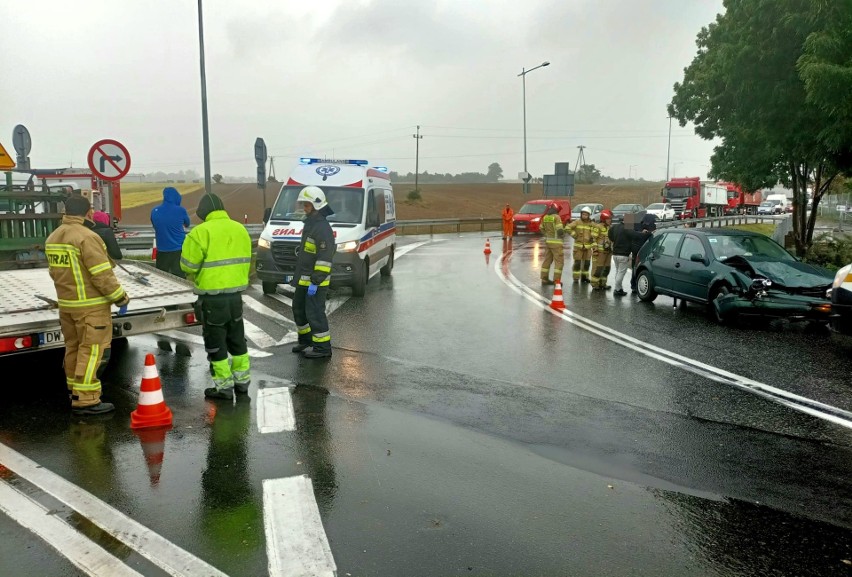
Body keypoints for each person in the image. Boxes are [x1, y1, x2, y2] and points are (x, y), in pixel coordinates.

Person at [45, 195, 130, 415]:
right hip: (91, 307)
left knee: (73, 348)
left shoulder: (53, 237)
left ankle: (74, 391)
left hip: (67, 305)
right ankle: (86, 399)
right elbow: (102, 275)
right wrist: (120, 297)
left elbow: (53, 272)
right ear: (88, 212)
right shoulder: (86, 237)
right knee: (93, 352)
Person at [180, 193, 253, 400]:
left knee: (216, 342)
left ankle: (223, 387)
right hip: (236, 297)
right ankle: (242, 383)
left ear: (203, 212)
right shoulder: (240, 229)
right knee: (237, 340)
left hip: (212, 299)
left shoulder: (200, 232)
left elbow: (187, 265)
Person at [291, 186, 336, 359]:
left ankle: (323, 348)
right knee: (299, 310)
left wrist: (316, 281)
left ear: (317, 205)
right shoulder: (310, 224)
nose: (304, 208)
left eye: (307, 205)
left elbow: (325, 257)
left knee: (315, 313)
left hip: (316, 281)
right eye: (304, 204)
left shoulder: (322, 228)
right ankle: (306, 339)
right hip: (304, 280)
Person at [151, 186, 190, 277]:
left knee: (161, 277)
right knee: (179, 278)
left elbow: (155, 226)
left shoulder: (154, 211)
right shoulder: (181, 210)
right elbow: (187, 224)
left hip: (161, 250)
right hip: (178, 250)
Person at [567, 207, 597, 283]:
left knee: (587, 263)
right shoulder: (577, 222)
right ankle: (576, 278)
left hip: (588, 247)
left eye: (586, 215)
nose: (584, 216)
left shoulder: (592, 224)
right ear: (581, 214)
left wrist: (593, 238)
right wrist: (574, 235)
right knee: (577, 263)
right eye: (583, 214)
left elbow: (596, 232)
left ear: (589, 215)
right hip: (578, 247)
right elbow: (567, 228)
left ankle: (585, 277)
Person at [629, 213, 657, 293]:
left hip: (640, 250)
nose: (654, 223)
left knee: (637, 268)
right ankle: (634, 285)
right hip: (638, 251)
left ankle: (634, 285)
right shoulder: (638, 226)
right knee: (636, 268)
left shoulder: (638, 224)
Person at [539, 204, 565, 285]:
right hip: (557, 243)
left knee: (547, 260)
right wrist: (563, 234)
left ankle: (544, 279)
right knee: (559, 262)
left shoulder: (545, 217)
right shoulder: (556, 217)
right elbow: (560, 230)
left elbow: (541, 228)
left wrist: (547, 235)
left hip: (548, 242)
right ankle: (556, 281)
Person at [590, 209, 613, 290]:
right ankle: (595, 284)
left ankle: (603, 283)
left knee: (606, 268)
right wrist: (595, 249)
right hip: (599, 252)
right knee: (598, 268)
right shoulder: (598, 227)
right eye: (608, 219)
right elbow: (592, 239)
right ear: (603, 219)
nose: (610, 220)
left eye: (610, 219)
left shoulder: (610, 227)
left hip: (608, 252)